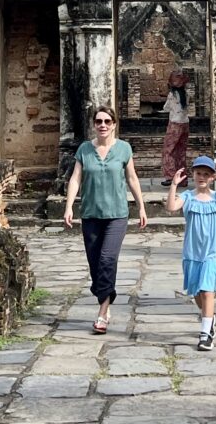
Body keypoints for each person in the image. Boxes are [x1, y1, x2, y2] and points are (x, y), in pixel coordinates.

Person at [63, 105, 147, 334]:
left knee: (108, 259)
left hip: (117, 215)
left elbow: (132, 178)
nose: (102, 125)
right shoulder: (84, 150)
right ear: (94, 124)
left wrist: (141, 206)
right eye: (99, 121)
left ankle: (102, 313)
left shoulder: (123, 149)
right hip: (90, 214)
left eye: (107, 121)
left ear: (114, 124)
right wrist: (69, 206)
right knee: (95, 263)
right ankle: (105, 296)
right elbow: (75, 179)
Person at [166, 154, 216, 350]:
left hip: (212, 253)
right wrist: (174, 185)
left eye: (206, 174)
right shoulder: (188, 197)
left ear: (212, 177)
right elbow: (171, 207)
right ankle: (209, 320)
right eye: (198, 173)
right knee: (197, 293)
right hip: (192, 253)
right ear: (193, 174)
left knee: (208, 290)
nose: (202, 177)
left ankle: (205, 335)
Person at [160, 69, 190, 187]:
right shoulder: (186, 94)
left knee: (168, 151)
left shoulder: (172, 95)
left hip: (175, 123)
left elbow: (166, 107)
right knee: (181, 152)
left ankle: (171, 176)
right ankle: (183, 179)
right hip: (185, 123)